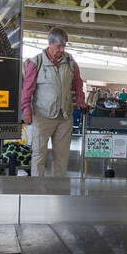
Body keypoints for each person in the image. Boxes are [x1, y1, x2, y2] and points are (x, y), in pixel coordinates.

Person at [21, 27, 88, 177]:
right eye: (58, 46)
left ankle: (58, 190)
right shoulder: (36, 62)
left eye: (64, 46)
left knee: (62, 157)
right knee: (39, 154)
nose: (62, 49)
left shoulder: (70, 62)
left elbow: (77, 83)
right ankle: (37, 190)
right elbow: (27, 89)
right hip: (42, 116)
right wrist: (26, 110)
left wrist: (80, 99)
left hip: (65, 117)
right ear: (49, 44)